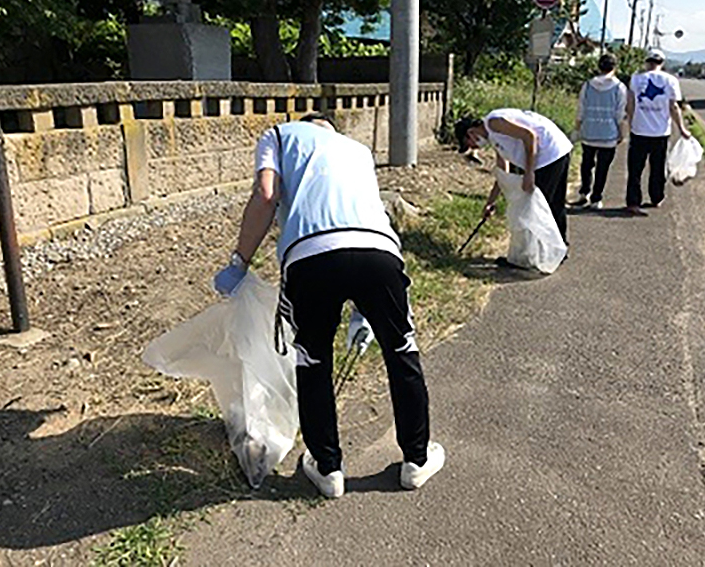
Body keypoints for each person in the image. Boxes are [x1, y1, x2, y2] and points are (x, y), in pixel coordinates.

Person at [213, 113, 444, 499]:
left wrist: (239, 262)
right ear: (330, 128)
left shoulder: (278, 135)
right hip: (379, 253)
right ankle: (416, 460)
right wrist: (361, 310)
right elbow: (361, 211)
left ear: (305, 124)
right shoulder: (357, 150)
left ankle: (327, 467)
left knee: (313, 360)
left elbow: (266, 195)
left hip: (310, 256)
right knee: (402, 353)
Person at [455, 109, 574, 249]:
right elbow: (502, 173)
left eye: (469, 144)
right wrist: (490, 202)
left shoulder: (494, 123)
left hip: (549, 154)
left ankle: (538, 253)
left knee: (540, 207)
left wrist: (529, 173)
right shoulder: (494, 138)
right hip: (556, 151)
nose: (474, 147)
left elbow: (530, 136)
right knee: (552, 204)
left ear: (470, 133)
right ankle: (557, 250)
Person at [625, 48, 692, 214]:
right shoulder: (671, 81)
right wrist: (682, 128)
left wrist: (631, 123)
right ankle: (656, 198)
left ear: (646, 62)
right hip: (661, 132)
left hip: (639, 130)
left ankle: (633, 202)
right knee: (658, 167)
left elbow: (630, 103)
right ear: (662, 63)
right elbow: (673, 106)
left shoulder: (636, 79)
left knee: (635, 169)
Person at [571, 53, 627, 210]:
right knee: (603, 168)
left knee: (587, 164)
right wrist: (622, 133)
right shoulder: (619, 87)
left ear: (598, 67)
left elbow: (580, 110)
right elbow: (619, 113)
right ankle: (596, 198)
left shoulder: (587, 85)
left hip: (589, 132)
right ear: (615, 68)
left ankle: (583, 193)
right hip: (608, 134)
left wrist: (577, 129)